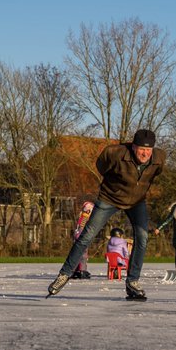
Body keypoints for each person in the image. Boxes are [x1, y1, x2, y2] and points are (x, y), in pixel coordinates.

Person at [48, 129, 166, 301]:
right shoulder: (115, 153)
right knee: (87, 234)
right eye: (141, 149)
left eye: (148, 150)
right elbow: (101, 166)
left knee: (142, 236)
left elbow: (155, 173)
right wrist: (114, 184)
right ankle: (64, 274)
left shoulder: (159, 158)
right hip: (110, 197)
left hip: (136, 201)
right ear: (133, 147)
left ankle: (133, 281)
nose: (145, 153)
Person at [71, 197, 94, 279]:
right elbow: (82, 228)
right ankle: (81, 270)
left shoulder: (82, 217)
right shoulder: (85, 218)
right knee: (83, 255)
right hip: (81, 236)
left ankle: (75, 269)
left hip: (78, 235)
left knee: (77, 254)